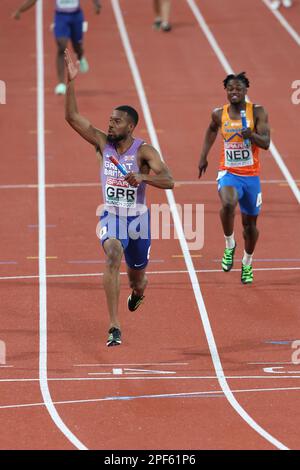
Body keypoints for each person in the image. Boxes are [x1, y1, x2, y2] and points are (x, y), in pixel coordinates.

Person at [64, 48, 174, 346]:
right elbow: (72, 117)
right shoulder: (103, 143)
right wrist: (71, 81)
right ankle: (114, 326)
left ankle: (138, 292)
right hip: (111, 215)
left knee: (137, 278)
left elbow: (169, 180)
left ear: (130, 126)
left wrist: (143, 176)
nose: (109, 124)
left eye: (116, 121)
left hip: (138, 221)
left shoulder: (144, 151)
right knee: (113, 253)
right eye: (109, 120)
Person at [198, 72, 270, 284]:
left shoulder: (257, 112)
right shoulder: (219, 114)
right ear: (226, 91)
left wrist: (253, 135)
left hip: (251, 177)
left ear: (246, 90)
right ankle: (229, 245)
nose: (234, 92)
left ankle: (247, 262)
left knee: (250, 228)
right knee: (228, 204)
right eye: (230, 89)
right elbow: (211, 130)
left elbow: (266, 143)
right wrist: (203, 157)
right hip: (229, 172)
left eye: (238, 88)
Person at [13, 0, 101, 95]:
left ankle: (80, 56)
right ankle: (61, 83)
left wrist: (96, 4)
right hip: (61, 17)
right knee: (61, 46)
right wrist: (20, 10)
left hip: (76, 17)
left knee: (77, 46)